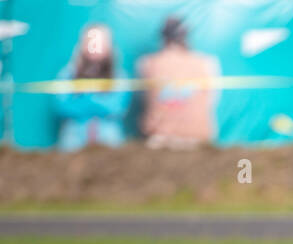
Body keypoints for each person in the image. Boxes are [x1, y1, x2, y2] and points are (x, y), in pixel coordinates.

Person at [135, 15, 219, 148]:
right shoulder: (207, 62)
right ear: (186, 36)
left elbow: (145, 100)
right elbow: (212, 101)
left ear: (163, 37)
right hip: (196, 138)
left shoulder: (147, 63)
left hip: (162, 139)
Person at [54, 23, 130, 150]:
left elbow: (116, 108)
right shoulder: (67, 73)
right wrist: (96, 100)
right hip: (74, 136)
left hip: (108, 136)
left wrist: (86, 98)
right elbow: (62, 106)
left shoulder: (119, 75)